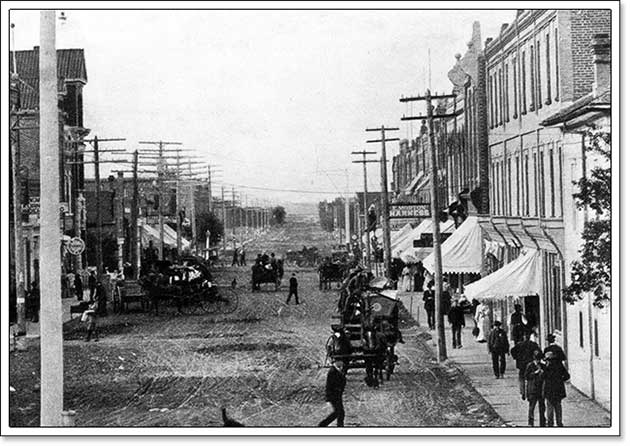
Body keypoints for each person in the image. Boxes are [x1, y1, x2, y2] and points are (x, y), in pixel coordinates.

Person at [542, 350, 571, 427]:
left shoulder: (546, 367)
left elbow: (542, 376)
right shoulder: (559, 365)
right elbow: (567, 376)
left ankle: (550, 423)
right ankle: (559, 422)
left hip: (549, 390)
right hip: (559, 389)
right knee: (558, 407)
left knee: (550, 407)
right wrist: (560, 380)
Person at [511, 332, 541, 400]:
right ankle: (528, 393)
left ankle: (523, 392)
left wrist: (516, 358)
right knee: (530, 379)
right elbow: (539, 352)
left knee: (521, 378)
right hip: (530, 365)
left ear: (524, 337)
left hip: (521, 364)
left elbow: (512, 351)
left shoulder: (519, 344)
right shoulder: (533, 345)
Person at [318, 359, 347, 427]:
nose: (342, 363)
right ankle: (323, 424)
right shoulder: (332, 371)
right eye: (341, 361)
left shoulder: (337, 370)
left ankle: (338, 425)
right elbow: (330, 385)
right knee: (339, 412)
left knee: (339, 412)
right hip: (334, 395)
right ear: (336, 362)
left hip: (337, 395)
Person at [524, 350, 546, 427]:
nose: (538, 361)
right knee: (532, 407)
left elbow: (545, 376)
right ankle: (530, 422)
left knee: (542, 407)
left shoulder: (543, 366)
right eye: (537, 359)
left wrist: (543, 372)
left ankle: (542, 422)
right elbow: (526, 376)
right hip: (532, 389)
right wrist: (535, 373)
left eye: (539, 359)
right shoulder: (530, 365)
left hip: (540, 389)